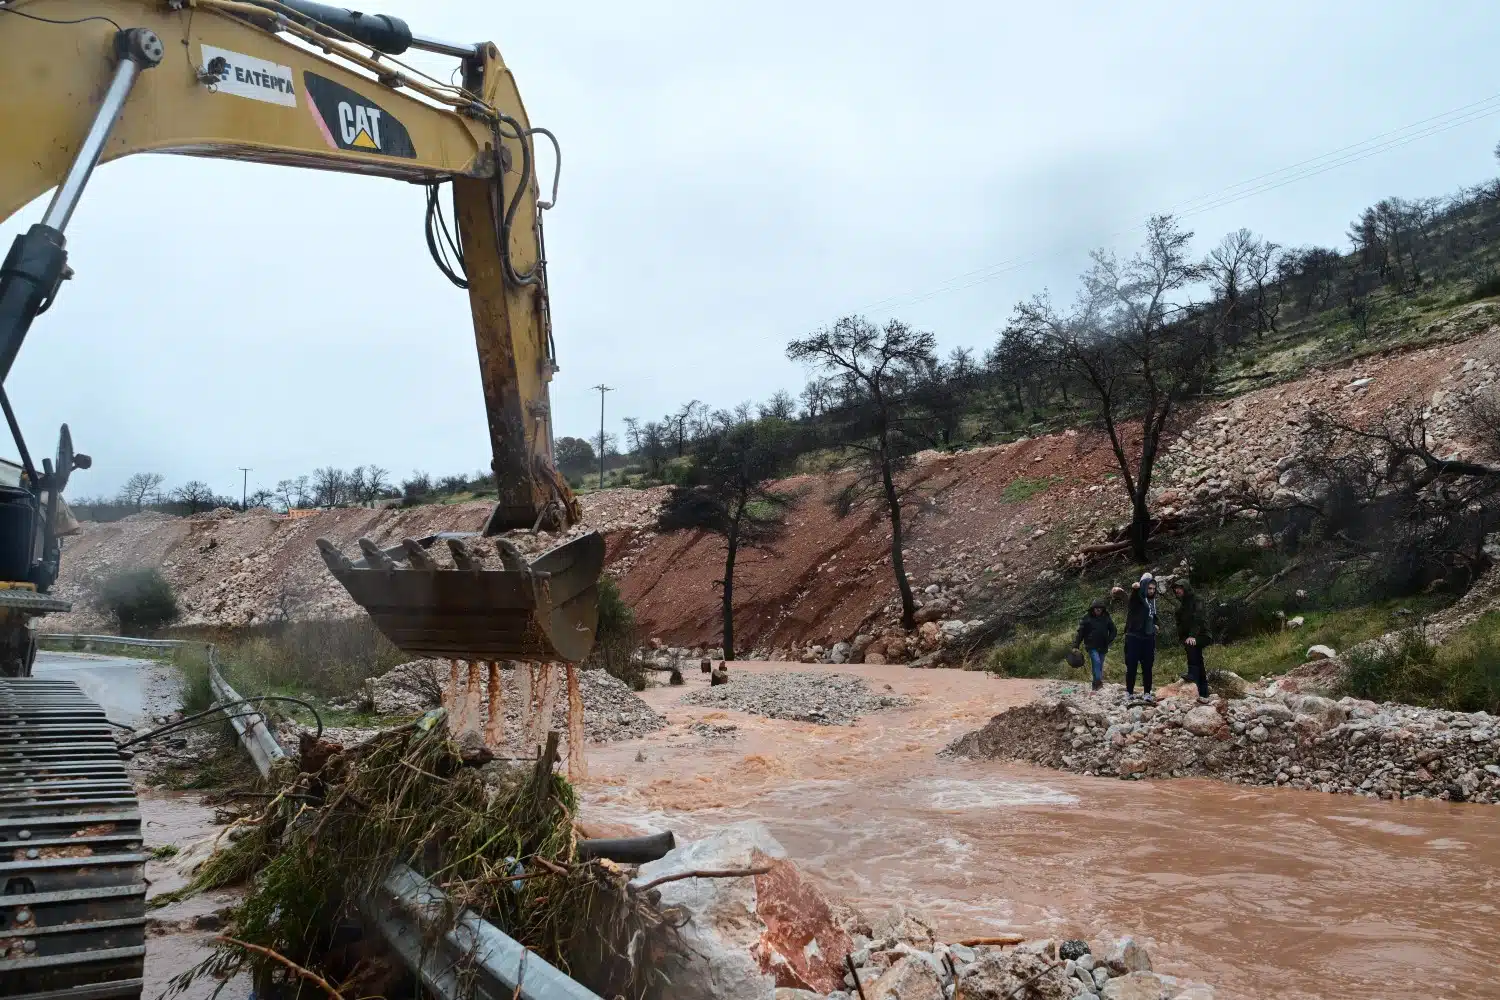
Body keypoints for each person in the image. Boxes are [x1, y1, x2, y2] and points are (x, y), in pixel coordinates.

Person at [1123, 572, 1159, 700]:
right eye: (1149, 588)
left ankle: (1147, 693)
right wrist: (1135, 589)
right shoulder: (1137, 599)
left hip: (1148, 638)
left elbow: (1153, 616)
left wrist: (1156, 624)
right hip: (1134, 637)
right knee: (1132, 666)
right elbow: (1133, 598)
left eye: (1153, 588)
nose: (1152, 591)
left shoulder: (1152, 601)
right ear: (1144, 587)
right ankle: (1129, 692)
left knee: (1148, 666)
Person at [1173, 578, 1209, 699]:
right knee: (1198, 660)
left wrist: (1192, 635)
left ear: (1186, 588)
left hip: (1203, 634)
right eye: (1176, 588)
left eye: (1180, 588)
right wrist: (1183, 637)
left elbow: (1198, 618)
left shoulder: (1197, 600)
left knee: (1192, 649)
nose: (1177, 590)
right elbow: (1181, 623)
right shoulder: (1182, 605)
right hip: (1190, 636)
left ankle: (1193, 675)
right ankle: (1203, 691)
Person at [1073, 599, 1117, 692]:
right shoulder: (1086, 618)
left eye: (1100, 608)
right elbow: (1080, 633)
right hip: (1091, 645)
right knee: (1096, 662)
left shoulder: (1106, 617)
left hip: (1103, 645)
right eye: (1096, 608)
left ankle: (1095, 685)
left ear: (1103, 609)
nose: (1098, 609)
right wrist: (1076, 645)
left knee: (1099, 665)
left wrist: (1109, 640)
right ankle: (1098, 682)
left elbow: (1113, 630)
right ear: (1093, 609)